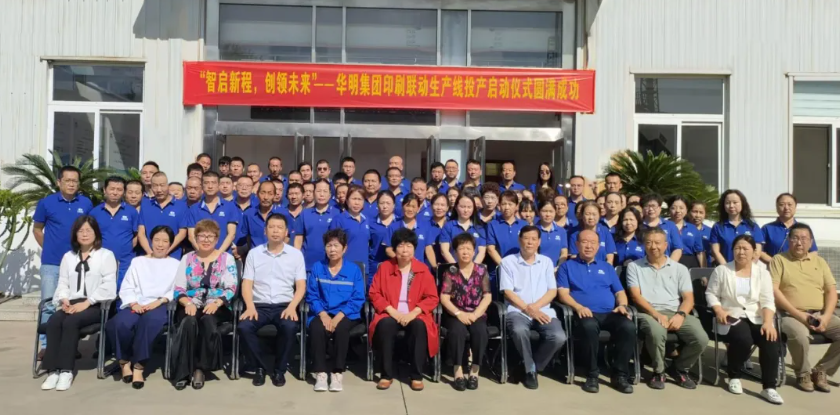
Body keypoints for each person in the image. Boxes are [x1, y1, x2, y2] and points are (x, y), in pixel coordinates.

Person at [39, 215, 116, 391]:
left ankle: (66, 370)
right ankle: (53, 370)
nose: (85, 234)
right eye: (81, 231)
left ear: (96, 234)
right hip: (72, 302)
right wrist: (64, 299)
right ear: (75, 235)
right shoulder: (68, 257)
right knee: (54, 321)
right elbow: (63, 282)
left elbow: (109, 285)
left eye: (89, 230)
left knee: (71, 322)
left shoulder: (106, 255)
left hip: (96, 304)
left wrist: (87, 302)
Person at [626, 227, 708, 390]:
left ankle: (679, 368)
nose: (653, 247)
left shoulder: (679, 268)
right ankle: (659, 371)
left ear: (665, 245)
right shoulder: (634, 267)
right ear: (644, 245)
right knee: (657, 333)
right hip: (648, 312)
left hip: (675, 311)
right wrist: (656, 315)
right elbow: (636, 296)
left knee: (701, 338)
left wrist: (680, 314)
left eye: (657, 243)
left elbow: (688, 298)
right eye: (649, 243)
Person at [705, 235, 783, 404]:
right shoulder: (722, 270)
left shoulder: (762, 273)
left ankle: (769, 387)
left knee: (770, 339)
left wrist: (768, 323)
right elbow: (711, 293)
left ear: (754, 252)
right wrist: (718, 310)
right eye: (737, 248)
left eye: (745, 249)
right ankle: (734, 375)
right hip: (730, 315)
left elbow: (767, 300)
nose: (741, 252)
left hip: (756, 316)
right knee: (743, 338)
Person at [558, 229, 635, 394]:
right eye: (584, 242)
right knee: (589, 327)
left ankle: (620, 375)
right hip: (584, 313)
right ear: (577, 245)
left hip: (609, 313)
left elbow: (620, 292)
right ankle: (592, 375)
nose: (589, 246)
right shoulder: (567, 267)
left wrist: (622, 305)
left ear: (598, 246)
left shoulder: (607, 267)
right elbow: (563, 294)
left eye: (593, 242)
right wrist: (578, 307)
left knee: (628, 327)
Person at [106, 225, 178, 389]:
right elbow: (127, 286)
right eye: (157, 240)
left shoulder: (175, 264)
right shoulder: (138, 261)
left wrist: (160, 301)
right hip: (136, 303)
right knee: (119, 324)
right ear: (151, 241)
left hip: (160, 304)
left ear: (170, 244)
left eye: (165, 241)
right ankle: (124, 362)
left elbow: (176, 289)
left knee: (149, 322)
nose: (160, 244)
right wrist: (133, 303)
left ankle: (139, 366)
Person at [770, 223, 839, 393]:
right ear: (789, 241)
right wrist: (799, 315)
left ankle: (821, 370)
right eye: (795, 238)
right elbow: (774, 291)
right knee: (800, 336)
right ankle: (803, 373)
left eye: (803, 238)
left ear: (811, 242)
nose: (799, 243)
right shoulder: (778, 260)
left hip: (819, 314)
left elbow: (831, 291)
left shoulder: (819, 262)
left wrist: (826, 316)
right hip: (789, 314)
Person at [238, 213, 305, 387]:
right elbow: (247, 283)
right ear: (265, 231)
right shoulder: (254, 254)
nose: (275, 231)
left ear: (286, 232)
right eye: (272, 227)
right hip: (258, 305)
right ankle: (259, 367)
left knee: (289, 327)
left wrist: (292, 307)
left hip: (284, 305)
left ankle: (279, 370)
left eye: (279, 228)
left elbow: (301, 286)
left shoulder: (295, 255)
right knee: (244, 327)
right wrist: (250, 306)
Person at [369, 228, 440, 391]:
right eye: (400, 246)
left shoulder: (422, 269)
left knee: (419, 326)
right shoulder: (385, 267)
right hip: (389, 313)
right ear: (394, 249)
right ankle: (386, 375)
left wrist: (414, 313)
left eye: (409, 246)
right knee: (386, 325)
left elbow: (432, 297)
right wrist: (392, 311)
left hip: (415, 313)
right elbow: (374, 293)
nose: (405, 250)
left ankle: (416, 375)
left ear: (414, 248)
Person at [33, 166, 94, 354]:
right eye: (67, 180)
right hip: (52, 263)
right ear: (59, 182)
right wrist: (49, 247)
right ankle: (46, 346)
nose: (71, 184)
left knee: (74, 305)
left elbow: (89, 229)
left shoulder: (86, 203)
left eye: (75, 181)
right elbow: (37, 229)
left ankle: (70, 345)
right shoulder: (46, 203)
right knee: (49, 305)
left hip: (77, 263)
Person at [171, 219, 238, 390]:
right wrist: (187, 303)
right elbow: (179, 288)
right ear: (196, 238)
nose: (206, 240)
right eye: (202, 236)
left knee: (207, 320)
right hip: (190, 303)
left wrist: (217, 302)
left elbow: (231, 287)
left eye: (210, 236)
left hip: (218, 305)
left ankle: (200, 368)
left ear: (217, 239)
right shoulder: (187, 258)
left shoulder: (227, 259)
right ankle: (183, 372)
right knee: (189, 321)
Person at [501, 226, 567, 390]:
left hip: (543, 310)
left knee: (558, 337)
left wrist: (536, 308)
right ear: (519, 240)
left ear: (539, 242)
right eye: (526, 238)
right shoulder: (508, 262)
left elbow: (552, 291)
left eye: (533, 239)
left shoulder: (546, 262)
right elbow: (507, 292)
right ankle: (530, 371)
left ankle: (531, 367)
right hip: (518, 311)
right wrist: (527, 309)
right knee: (519, 331)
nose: (529, 242)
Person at [306, 229, 366, 392]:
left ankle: (337, 372)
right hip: (321, 311)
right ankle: (320, 372)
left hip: (346, 313)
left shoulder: (353, 270)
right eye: (329, 245)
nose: (332, 249)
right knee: (317, 328)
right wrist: (323, 314)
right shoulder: (318, 268)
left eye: (336, 245)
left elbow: (357, 298)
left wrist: (338, 317)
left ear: (344, 248)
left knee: (341, 329)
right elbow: (312, 295)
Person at [439, 233, 492, 391]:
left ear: (474, 251)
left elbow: (487, 296)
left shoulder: (481, 270)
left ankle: (475, 370)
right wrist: (458, 314)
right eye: (461, 248)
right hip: (455, 314)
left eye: (469, 249)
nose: (465, 252)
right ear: (455, 252)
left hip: (476, 313)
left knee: (480, 331)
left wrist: (475, 314)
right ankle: (458, 370)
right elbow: (444, 298)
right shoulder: (450, 271)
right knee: (457, 332)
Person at [89, 176, 138, 290]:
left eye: (119, 189)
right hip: (101, 262)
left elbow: (137, 235)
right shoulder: (95, 212)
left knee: (123, 293)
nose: (115, 192)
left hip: (125, 263)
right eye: (112, 189)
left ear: (123, 192)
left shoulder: (131, 212)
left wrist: (127, 248)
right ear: (104, 190)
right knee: (101, 294)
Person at [186, 171, 240, 253]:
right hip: (201, 255)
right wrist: (202, 253)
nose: (210, 186)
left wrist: (218, 253)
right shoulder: (194, 208)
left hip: (223, 254)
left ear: (218, 185)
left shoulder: (230, 206)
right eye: (206, 183)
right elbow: (191, 236)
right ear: (202, 186)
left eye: (213, 183)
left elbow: (231, 234)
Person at [138, 172, 188, 259]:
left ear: (168, 186)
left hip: (172, 256)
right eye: (155, 186)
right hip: (150, 256)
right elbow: (141, 233)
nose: (159, 189)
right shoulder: (145, 205)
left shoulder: (182, 206)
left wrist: (165, 251)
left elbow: (182, 233)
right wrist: (151, 253)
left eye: (162, 185)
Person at [294, 180, 339, 272]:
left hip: (330, 265)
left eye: (325, 191)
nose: (321, 194)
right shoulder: (305, 213)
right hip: (307, 265)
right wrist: (296, 258)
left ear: (330, 194)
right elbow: (299, 238)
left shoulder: (337, 214)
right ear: (313, 193)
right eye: (318, 191)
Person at [761, 193, 817, 264]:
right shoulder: (767, 228)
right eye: (782, 204)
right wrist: (775, 263)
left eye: (790, 204)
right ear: (777, 207)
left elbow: (813, 252)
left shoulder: (804, 229)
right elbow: (759, 251)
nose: (786, 208)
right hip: (775, 267)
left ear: (795, 207)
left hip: (799, 268)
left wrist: (800, 264)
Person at [711, 189, 764, 266]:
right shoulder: (718, 227)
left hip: (748, 269)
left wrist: (747, 268)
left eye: (735, 202)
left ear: (742, 204)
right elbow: (716, 251)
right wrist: (727, 268)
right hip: (725, 268)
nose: (731, 206)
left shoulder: (753, 226)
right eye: (727, 203)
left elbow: (757, 251)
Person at [385, 194, 434, 265]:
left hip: (418, 268)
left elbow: (428, 249)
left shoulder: (425, 227)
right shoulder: (393, 226)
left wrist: (435, 267)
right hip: (399, 267)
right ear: (402, 206)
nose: (410, 209)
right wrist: (404, 260)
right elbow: (388, 249)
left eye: (413, 206)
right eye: (407, 205)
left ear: (418, 209)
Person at [328, 186, 371, 267]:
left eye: (360, 199)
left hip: (363, 267)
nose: (357, 203)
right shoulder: (339, 219)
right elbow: (333, 244)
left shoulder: (366, 220)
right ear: (347, 201)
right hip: (344, 266)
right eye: (354, 199)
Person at [487, 191, 527, 274]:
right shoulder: (492, 225)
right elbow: (491, 249)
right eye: (503, 204)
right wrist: (504, 266)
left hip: (521, 269)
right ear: (499, 206)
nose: (507, 207)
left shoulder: (524, 225)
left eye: (510, 204)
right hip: (499, 270)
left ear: (516, 206)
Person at [440, 194, 486, 264]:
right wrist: (457, 267)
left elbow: (481, 252)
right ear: (456, 207)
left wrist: (473, 268)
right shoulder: (448, 226)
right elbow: (444, 251)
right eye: (462, 207)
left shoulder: (479, 228)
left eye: (469, 207)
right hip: (453, 267)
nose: (466, 210)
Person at [639, 193, 684, 262]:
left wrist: (669, 265)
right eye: (647, 206)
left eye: (653, 206)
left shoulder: (670, 225)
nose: (650, 209)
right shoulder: (638, 226)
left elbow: (678, 248)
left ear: (660, 208)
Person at [669, 196, 706, 268]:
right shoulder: (663, 226)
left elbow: (700, 252)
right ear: (669, 209)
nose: (678, 211)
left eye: (681, 208)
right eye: (674, 208)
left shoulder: (693, 228)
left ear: (686, 210)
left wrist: (703, 271)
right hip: (668, 261)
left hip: (689, 264)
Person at [368, 191, 397, 282]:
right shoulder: (370, 223)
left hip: (396, 264)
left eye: (388, 203)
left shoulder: (400, 222)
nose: (385, 206)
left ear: (394, 205)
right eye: (382, 203)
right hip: (375, 264)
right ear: (377, 205)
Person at [535, 199, 567, 270]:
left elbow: (564, 253)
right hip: (538, 269)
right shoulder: (533, 230)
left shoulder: (561, 231)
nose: (548, 214)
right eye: (544, 211)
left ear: (555, 212)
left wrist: (558, 268)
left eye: (551, 211)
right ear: (539, 212)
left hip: (556, 270)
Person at [426, 193, 449, 271]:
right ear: (431, 206)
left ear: (447, 207)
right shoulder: (425, 225)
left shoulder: (452, 224)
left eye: (442, 205)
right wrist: (435, 266)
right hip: (429, 268)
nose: (439, 208)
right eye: (436, 204)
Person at [689, 200, 713, 268]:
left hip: (706, 267)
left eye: (701, 212)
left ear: (705, 214)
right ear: (688, 212)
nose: (697, 215)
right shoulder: (683, 228)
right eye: (695, 212)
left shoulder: (710, 231)